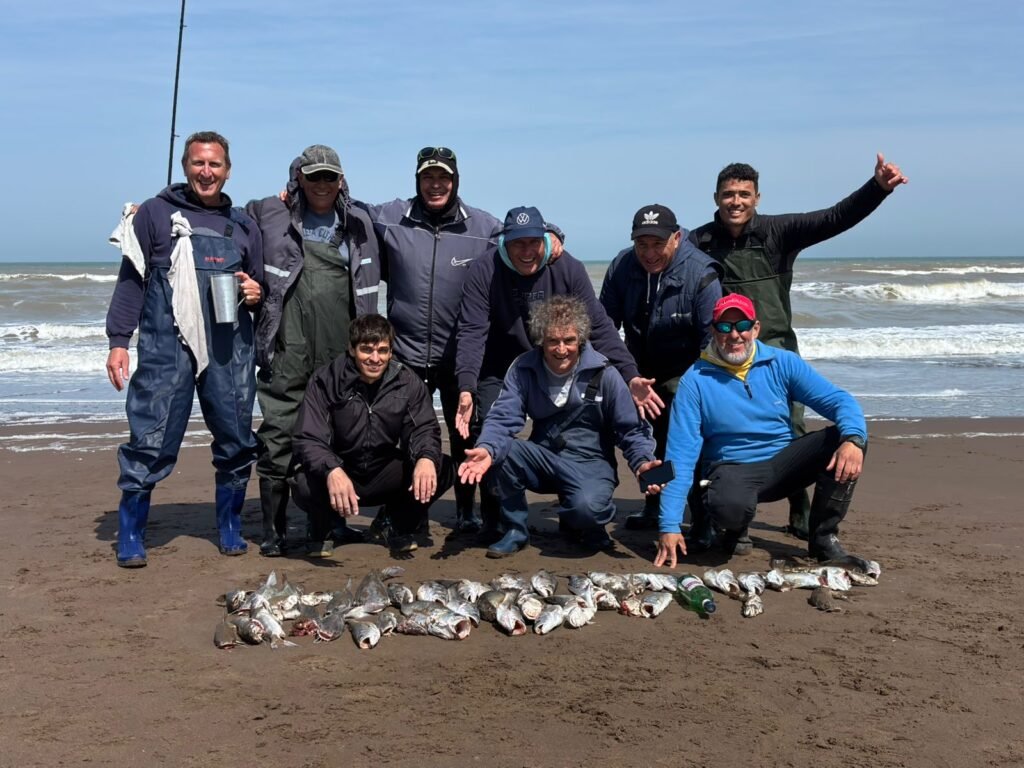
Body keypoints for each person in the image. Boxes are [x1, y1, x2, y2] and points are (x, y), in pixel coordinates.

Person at [690, 153, 906, 540]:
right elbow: (666, 263)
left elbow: (835, 218)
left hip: (776, 353)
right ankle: (712, 513)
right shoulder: (699, 241)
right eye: (728, 194)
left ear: (757, 198)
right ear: (715, 198)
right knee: (717, 431)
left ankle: (800, 507)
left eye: (744, 194)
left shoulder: (779, 232)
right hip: (725, 352)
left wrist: (878, 189)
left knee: (790, 427)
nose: (735, 201)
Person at [365, 149, 563, 537]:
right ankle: (406, 511)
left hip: (463, 356)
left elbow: (522, 233)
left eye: (443, 178)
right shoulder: (391, 218)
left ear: (455, 180)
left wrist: (554, 234)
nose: (435, 185)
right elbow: (348, 206)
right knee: (403, 435)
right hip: (405, 353)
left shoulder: (483, 226)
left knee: (466, 436)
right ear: (417, 181)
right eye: (428, 178)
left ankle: (469, 513)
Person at [454, 205, 662, 543]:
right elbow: (472, 330)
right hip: (513, 364)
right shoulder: (484, 270)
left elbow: (600, 327)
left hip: (552, 355)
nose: (526, 252)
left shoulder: (567, 268)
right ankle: (506, 525)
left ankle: (579, 514)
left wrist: (629, 374)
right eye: (517, 244)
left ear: (545, 240)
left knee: (585, 509)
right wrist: (466, 386)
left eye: (532, 243)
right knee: (489, 439)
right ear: (503, 242)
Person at [105, 131, 263, 568]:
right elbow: (131, 282)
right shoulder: (154, 214)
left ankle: (230, 526)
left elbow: (258, 285)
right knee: (150, 438)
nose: (206, 172)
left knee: (236, 437)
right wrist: (119, 342)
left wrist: (255, 291)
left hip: (230, 347)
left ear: (228, 170)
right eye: (198, 163)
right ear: (185, 166)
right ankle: (132, 533)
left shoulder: (245, 224)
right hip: (164, 346)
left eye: (215, 165)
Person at [654, 294, 869, 569]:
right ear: (713, 331)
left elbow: (840, 401)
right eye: (724, 327)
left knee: (848, 441)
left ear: (755, 328)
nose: (734, 335)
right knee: (730, 507)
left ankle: (823, 540)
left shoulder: (783, 363)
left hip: (784, 462)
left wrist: (853, 439)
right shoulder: (694, 381)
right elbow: (680, 457)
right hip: (732, 467)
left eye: (742, 325)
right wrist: (669, 525)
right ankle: (733, 528)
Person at [245, 145, 381, 557]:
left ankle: (330, 526)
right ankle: (273, 532)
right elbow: (216, 220)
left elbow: (419, 228)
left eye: (329, 177)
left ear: (340, 181)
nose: (321, 184)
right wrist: (154, 213)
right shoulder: (267, 213)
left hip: (341, 345)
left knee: (337, 431)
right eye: (313, 176)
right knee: (279, 432)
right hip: (288, 345)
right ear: (298, 178)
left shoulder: (361, 221)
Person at [458, 296, 660, 558]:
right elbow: (502, 417)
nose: (561, 349)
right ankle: (515, 529)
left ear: (582, 339)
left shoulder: (605, 373)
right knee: (500, 451)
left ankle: (583, 521)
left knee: (585, 511)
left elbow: (631, 429)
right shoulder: (523, 368)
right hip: (545, 457)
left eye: (569, 341)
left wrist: (643, 463)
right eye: (553, 341)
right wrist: (486, 448)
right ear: (541, 340)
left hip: (591, 462)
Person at [599, 204, 722, 532]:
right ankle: (654, 504)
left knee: (684, 437)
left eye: (658, 244)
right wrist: (627, 376)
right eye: (642, 244)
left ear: (677, 238)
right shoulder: (621, 267)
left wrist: (688, 389)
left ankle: (702, 516)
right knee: (648, 438)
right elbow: (603, 328)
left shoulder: (702, 273)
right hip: (638, 367)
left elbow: (711, 343)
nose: (649, 253)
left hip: (692, 369)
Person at [290, 315, 454, 557]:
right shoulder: (326, 380)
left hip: (382, 471)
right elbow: (308, 438)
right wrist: (332, 470)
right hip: (340, 470)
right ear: (352, 349)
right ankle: (323, 527)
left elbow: (423, 428)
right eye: (366, 350)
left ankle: (392, 523)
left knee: (440, 466)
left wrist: (425, 457)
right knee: (302, 480)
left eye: (382, 350)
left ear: (390, 351)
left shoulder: (407, 381)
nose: (375, 359)